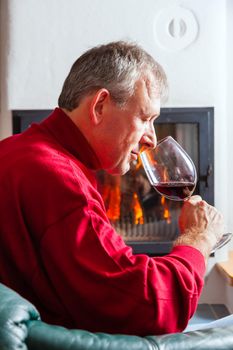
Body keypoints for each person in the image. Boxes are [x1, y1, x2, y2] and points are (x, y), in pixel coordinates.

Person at [0, 41, 224, 336]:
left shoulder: (20, 149)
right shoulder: (58, 178)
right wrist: (198, 238)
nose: (151, 139)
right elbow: (151, 307)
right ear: (100, 106)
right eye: (145, 119)